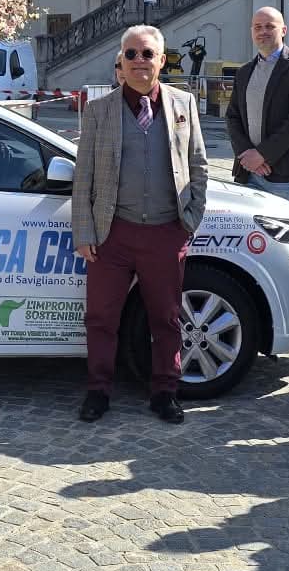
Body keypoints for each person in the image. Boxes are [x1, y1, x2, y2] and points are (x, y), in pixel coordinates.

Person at [72, 24, 209, 425]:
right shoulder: (99, 111)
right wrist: (84, 232)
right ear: (120, 62)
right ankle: (98, 391)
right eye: (130, 54)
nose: (139, 61)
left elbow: (198, 165)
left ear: (161, 61)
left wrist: (189, 221)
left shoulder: (184, 103)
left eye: (147, 54)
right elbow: (84, 177)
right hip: (112, 232)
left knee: (165, 317)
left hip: (166, 231)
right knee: (101, 317)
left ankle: (165, 391)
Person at [225, 7, 289, 211]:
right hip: (249, 174)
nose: (263, 31)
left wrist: (262, 154)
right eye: (257, 27)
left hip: (288, 177)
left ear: (283, 30)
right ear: (251, 31)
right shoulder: (244, 72)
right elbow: (232, 117)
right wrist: (246, 154)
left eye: (269, 26)